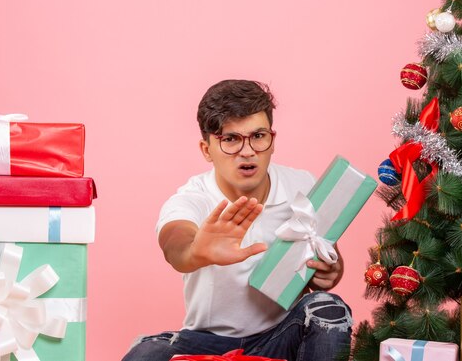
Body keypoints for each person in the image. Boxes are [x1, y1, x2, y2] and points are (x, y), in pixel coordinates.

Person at [122, 80, 352, 361]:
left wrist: (331, 271)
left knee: (329, 308)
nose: (247, 151)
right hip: (206, 341)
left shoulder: (302, 186)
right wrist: (196, 251)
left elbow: (327, 259)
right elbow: (174, 241)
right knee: (147, 353)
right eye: (230, 139)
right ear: (207, 149)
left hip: (278, 335)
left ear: (272, 140)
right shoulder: (192, 198)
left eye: (258, 136)